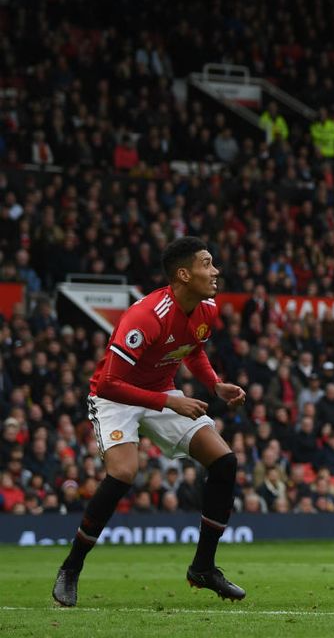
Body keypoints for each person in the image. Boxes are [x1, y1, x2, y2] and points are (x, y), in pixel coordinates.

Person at [52, 237, 248, 606]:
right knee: (124, 473)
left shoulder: (206, 308)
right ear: (184, 274)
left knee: (225, 461)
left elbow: (193, 350)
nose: (216, 270)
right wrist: (169, 401)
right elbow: (110, 383)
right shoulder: (147, 316)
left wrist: (215, 384)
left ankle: (203, 568)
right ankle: (71, 568)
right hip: (115, 398)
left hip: (162, 393)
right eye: (208, 264)